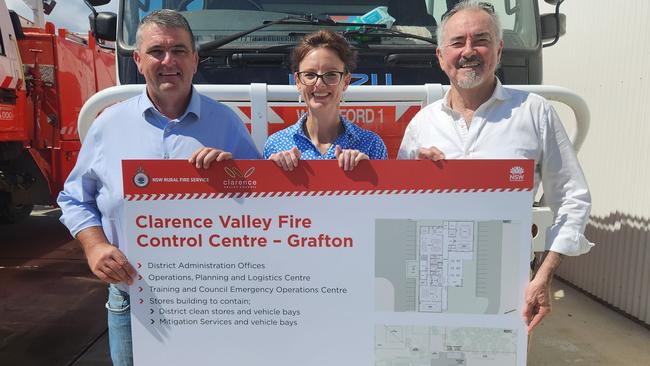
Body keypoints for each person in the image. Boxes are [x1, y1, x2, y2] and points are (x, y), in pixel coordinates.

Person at [57, 10, 259, 366]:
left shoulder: (227, 124)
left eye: (179, 50)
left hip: (214, 300)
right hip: (132, 300)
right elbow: (75, 198)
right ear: (138, 60)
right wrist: (95, 246)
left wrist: (234, 177)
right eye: (157, 51)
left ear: (195, 60)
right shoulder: (108, 124)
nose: (169, 61)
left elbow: (265, 203)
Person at [397, 0, 592, 333]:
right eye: (458, 42)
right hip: (431, 283)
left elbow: (573, 199)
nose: (469, 51)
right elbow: (398, 210)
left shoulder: (535, 112)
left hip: (507, 288)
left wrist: (543, 275)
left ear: (499, 50)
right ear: (441, 57)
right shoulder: (421, 124)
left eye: (481, 40)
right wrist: (414, 178)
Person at [263, 30, 387, 171]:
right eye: (310, 74)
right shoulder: (274, 145)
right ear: (298, 81)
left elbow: (388, 192)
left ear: (346, 81)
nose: (319, 83)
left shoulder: (371, 145)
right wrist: (273, 173)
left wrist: (370, 173)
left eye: (331, 74)